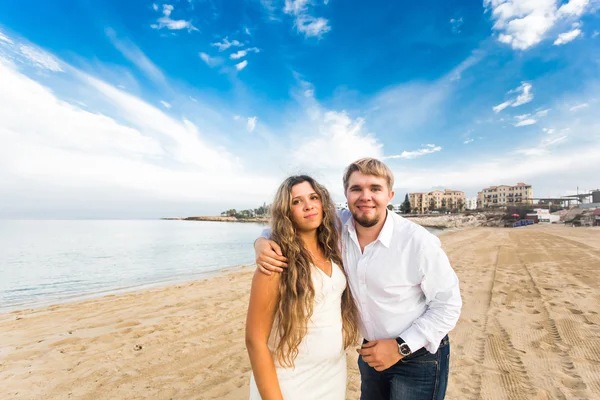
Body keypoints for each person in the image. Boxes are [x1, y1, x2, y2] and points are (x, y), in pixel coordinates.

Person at [255, 158, 462, 400]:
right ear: (346, 194)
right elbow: (288, 224)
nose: (366, 196)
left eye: (375, 188)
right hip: (370, 354)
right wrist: (260, 243)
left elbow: (448, 305)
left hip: (417, 357)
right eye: (356, 189)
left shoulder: (417, 242)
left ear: (390, 195)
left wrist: (400, 347)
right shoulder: (338, 225)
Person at [245, 175, 359, 400]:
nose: (308, 206)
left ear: (322, 203)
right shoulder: (276, 260)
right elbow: (254, 340)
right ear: (286, 212)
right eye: (296, 201)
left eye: (313, 197)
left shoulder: (333, 250)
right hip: (290, 381)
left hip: (332, 375)